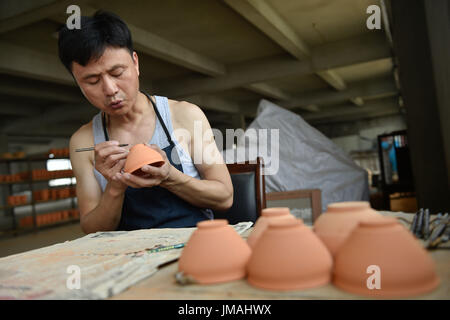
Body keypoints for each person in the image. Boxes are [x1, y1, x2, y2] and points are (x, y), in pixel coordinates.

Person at [58, 11, 233, 234]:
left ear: (135, 63)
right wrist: (115, 186)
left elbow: (225, 197)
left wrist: (170, 177)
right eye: (92, 81)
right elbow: (92, 229)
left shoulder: (186, 116)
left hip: (196, 244)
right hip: (130, 256)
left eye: (117, 72)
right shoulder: (83, 141)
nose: (110, 89)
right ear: (78, 84)